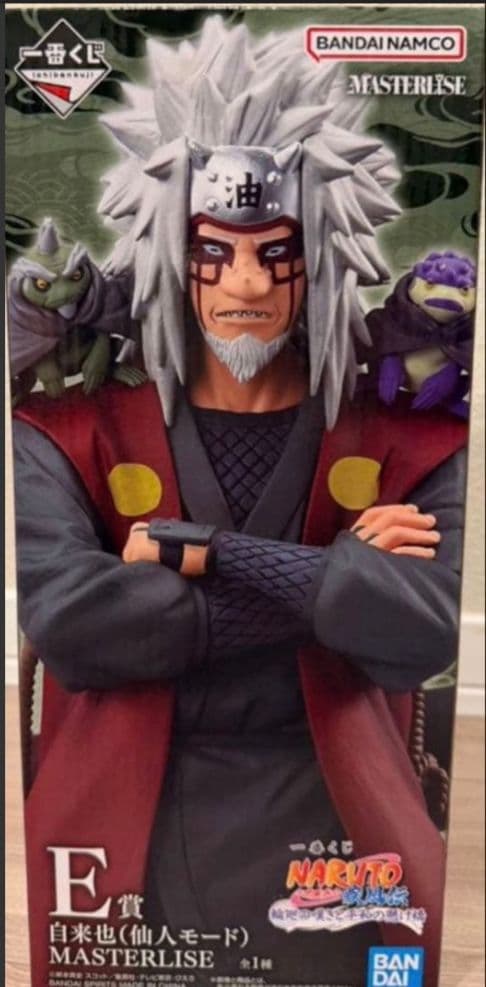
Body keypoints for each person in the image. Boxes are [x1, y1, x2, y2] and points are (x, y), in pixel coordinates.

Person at [11, 19, 467, 987]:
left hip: (340, 820)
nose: (249, 285)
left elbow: (422, 632)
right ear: (166, 251)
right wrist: (335, 581)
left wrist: (200, 554)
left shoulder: (408, 434)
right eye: (214, 252)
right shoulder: (68, 425)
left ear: (324, 250)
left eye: (279, 251)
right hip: (130, 818)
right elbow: (72, 627)